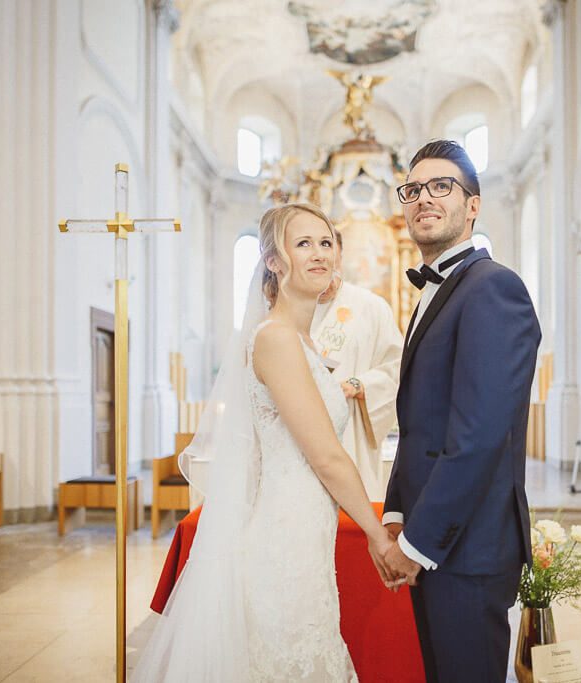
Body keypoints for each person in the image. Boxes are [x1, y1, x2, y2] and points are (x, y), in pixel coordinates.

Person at [133, 203, 401, 682]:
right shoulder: (276, 338)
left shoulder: (303, 340)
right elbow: (325, 456)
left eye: (325, 243)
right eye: (302, 244)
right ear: (273, 261)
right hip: (285, 537)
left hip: (305, 532)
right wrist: (377, 535)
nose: (319, 254)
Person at [381, 140, 541, 682]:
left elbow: (477, 436)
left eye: (441, 186)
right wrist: (397, 511)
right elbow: (420, 421)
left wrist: (419, 543)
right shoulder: (437, 290)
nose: (424, 198)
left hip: (466, 547)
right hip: (437, 537)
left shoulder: (494, 288)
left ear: (472, 205)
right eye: (414, 189)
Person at [312, 230, 404, 499]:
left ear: (339, 256)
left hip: (352, 434)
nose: (320, 258)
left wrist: (358, 385)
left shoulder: (371, 308)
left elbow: (398, 368)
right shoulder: (285, 308)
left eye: (327, 247)